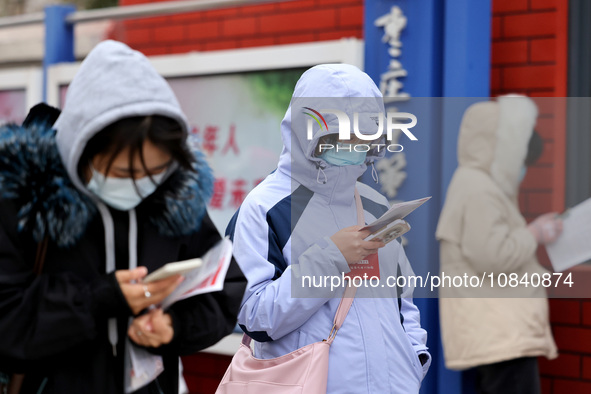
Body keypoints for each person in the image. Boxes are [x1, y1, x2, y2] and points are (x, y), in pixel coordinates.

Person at [0, 40, 246, 394]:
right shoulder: (23, 198)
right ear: (82, 146)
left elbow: (226, 288)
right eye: (122, 171)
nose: (141, 184)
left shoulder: (173, 197)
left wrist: (174, 326)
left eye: (156, 169)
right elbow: (7, 317)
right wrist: (101, 298)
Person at [226, 64, 431, 393]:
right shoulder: (265, 208)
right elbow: (254, 317)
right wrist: (332, 258)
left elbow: (401, 300)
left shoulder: (374, 203)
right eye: (340, 135)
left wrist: (413, 359)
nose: (354, 145)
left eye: (363, 134)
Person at [436, 95, 561, 394]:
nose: (522, 169)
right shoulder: (478, 187)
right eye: (519, 159)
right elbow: (492, 256)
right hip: (501, 333)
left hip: (498, 330)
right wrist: (535, 233)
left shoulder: (477, 183)